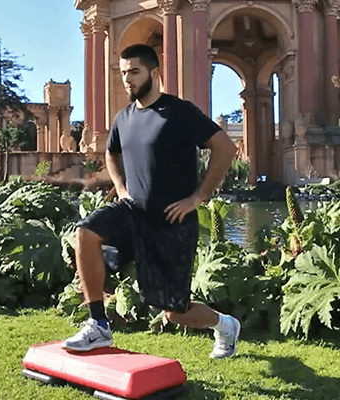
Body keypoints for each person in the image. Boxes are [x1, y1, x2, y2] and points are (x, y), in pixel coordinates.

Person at [63, 44, 240, 359]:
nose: (127, 80)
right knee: (85, 233)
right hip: (134, 212)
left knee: (174, 312)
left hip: (172, 222)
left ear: (153, 73)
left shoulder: (180, 112)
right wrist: (120, 186)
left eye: (134, 72)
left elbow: (225, 148)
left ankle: (224, 325)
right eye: (123, 73)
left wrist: (199, 196)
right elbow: (111, 153)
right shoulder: (123, 118)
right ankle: (98, 325)